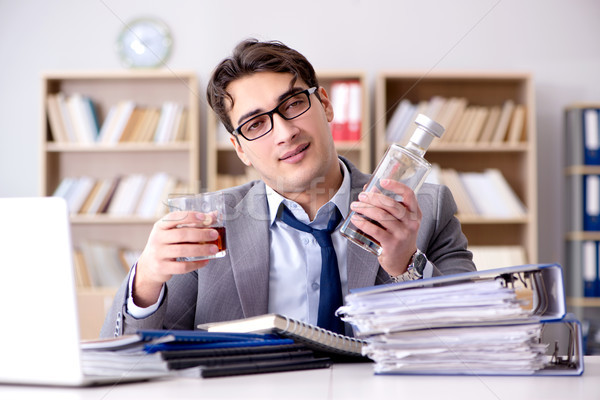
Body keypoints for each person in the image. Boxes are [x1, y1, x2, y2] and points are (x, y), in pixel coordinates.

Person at [100, 39, 475, 338]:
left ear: (325, 105)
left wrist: (405, 266)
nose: (284, 132)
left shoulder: (428, 208)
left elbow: (474, 331)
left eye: (293, 104)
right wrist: (146, 280)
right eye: (255, 125)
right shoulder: (204, 226)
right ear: (240, 148)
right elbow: (130, 352)